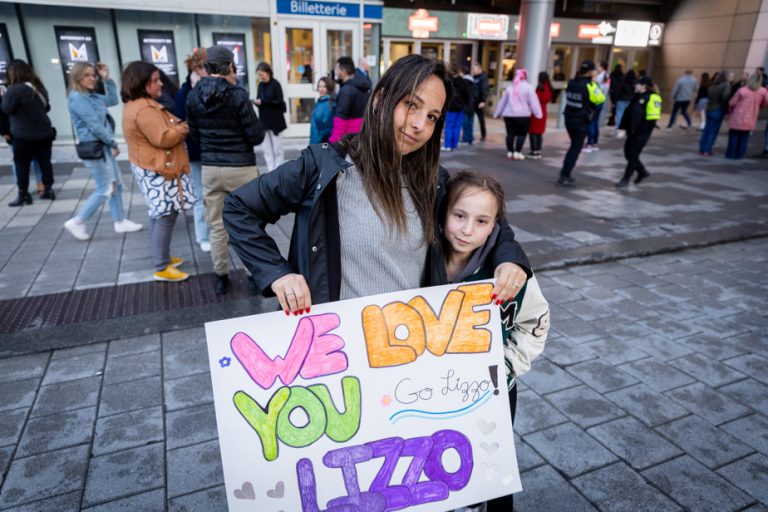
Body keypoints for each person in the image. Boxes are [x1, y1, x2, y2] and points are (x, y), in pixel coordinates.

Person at [222, 54, 531, 318]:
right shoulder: (326, 166)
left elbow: (490, 218)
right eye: (412, 105)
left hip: (409, 350)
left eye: (432, 116)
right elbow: (239, 208)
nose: (420, 124)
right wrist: (278, 273)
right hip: (340, 351)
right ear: (381, 99)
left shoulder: (433, 181)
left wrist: (510, 259)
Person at [438, 171, 549, 512]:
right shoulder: (420, 260)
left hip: (493, 388)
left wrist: (505, 368)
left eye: (481, 220)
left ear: (495, 226)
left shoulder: (508, 275)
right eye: (459, 216)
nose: (468, 229)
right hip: (432, 388)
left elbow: (536, 322)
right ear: (443, 214)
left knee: (491, 458)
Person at [186, 44, 265, 294]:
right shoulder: (238, 95)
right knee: (249, 223)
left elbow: (194, 135)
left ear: (207, 67)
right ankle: (254, 275)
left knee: (217, 225)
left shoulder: (193, 96)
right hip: (241, 167)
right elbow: (256, 136)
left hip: (210, 167)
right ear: (230, 66)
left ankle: (221, 276)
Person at [121, 61, 195, 282]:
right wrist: (183, 127)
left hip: (152, 168)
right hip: (158, 171)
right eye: (154, 80)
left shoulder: (137, 105)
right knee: (164, 215)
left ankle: (161, 256)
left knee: (158, 214)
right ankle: (161, 265)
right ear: (141, 83)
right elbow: (162, 138)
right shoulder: (144, 109)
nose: (160, 83)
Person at [63, 62, 143, 241]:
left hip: (102, 146)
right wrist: (112, 142)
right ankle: (78, 221)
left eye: (93, 75)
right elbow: (94, 125)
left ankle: (120, 221)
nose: (92, 78)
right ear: (77, 78)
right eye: (87, 75)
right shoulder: (77, 97)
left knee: (116, 185)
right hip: (95, 147)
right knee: (105, 187)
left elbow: (113, 100)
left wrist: (107, 80)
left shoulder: (90, 96)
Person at [1, 59, 56, 206]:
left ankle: (23, 194)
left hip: (23, 135)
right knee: (45, 162)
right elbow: (47, 107)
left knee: (22, 164)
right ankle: (48, 189)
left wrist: (2, 97)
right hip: (44, 132)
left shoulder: (14, 90)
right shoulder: (38, 88)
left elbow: (6, 109)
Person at [174, 48, 210, 252]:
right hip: (197, 149)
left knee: (216, 194)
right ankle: (203, 235)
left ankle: (218, 233)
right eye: (206, 66)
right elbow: (179, 119)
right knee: (200, 194)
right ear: (196, 67)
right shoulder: (185, 91)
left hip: (215, 149)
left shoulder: (216, 86)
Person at [557, 60, 605, 186]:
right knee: (575, 148)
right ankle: (565, 174)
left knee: (574, 145)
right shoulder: (591, 86)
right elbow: (600, 99)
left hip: (569, 118)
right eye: (594, 70)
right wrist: (595, 83)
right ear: (590, 71)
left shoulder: (571, 82)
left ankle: (565, 172)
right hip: (580, 121)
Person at [616, 76, 661, 187]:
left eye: (637, 84)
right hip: (632, 131)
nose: (635, 85)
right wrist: (623, 128)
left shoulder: (653, 98)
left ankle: (625, 179)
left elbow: (652, 119)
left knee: (633, 155)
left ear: (644, 86)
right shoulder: (637, 96)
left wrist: (640, 131)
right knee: (628, 153)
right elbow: (628, 113)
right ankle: (642, 172)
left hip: (642, 132)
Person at [493, 69, 542, 160]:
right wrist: (538, 114)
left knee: (510, 134)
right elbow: (534, 102)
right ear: (525, 76)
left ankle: (509, 152)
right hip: (523, 115)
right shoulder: (528, 87)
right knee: (521, 134)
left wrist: (497, 113)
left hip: (509, 114)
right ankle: (517, 152)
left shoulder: (510, 87)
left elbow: (503, 102)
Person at [725, 73, 768, 160]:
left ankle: (731, 154)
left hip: (738, 115)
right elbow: (766, 102)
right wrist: (760, 106)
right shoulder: (763, 91)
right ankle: (740, 155)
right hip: (751, 116)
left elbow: (732, 102)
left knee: (734, 136)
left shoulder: (743, 90)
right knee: (744, 138)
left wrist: (730, 110)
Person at [329, 56, 371, 143]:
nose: (335, 72)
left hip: (349, 136)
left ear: (343, 71)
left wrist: (333, 142)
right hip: (361, 133)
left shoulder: (346, 90)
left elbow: (340, 119)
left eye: (337, 69)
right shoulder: (363, 85)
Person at [255, 62, 287, 172]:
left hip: (275, 122)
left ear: (268, 72)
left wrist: (263, 102)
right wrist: (257, 102)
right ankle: (270, 172)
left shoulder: (275, 84)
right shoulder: (260, 85)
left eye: (262, 74)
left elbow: (279, 102)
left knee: (277, 150)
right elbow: (260, 99)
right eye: (259, 75)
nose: (260, 77)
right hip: (264, 121)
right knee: (267, 150)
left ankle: (278, 172)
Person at [699, 70, 731, 156]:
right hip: (717, 109)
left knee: (707, 130)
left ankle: (702, 149)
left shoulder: (713, 85)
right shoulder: (726, 85)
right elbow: (725, 97)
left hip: (710, 108)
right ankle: (707, 150)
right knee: (712, 131)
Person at [444, 63, 471, 152]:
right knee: (457, 126)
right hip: (460, 107)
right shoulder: (463, 81)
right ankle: (454, 144)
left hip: (451, 107)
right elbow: (467, 95)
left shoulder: (448, 81)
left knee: (449, 126)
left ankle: (448, 145)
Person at [585, 60, 610, 152]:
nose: (596, 68)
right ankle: (594, 143)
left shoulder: (599, 78)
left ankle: (589, 144)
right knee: (595, 122)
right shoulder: (606, 76)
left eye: (598, 66)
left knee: (591, 122)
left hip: (595, 102)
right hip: (600, 100)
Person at [528, 71, 552, 159]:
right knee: (539, 132)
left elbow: (535, 99)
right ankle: (538, 150)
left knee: (533, 131)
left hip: (536, 111)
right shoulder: (548, 87)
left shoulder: (540, 88)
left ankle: (533, 151)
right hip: (543, 111)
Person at [309, 75, 335, 144]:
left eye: (324, 86)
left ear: (329, 88)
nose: (321, 89)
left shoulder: (330, 104)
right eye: (320, 86)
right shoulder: (318, 102)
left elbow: (328, 128)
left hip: (321, 144)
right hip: (315, 142)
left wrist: (318, 139)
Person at [614, 69, 636, 138]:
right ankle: (625, 127)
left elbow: (618, 91)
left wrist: (615, 100)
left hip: (621, 99)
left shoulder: (623, 81)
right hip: (630, 99)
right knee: (627, 114)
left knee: (619, 113)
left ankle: (618, 127)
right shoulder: (635, 83)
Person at [472, 63, 490, 141]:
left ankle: (483, 134)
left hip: (479, 101)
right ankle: (470, 135)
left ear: (479, 69)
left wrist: (483, 100)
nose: (473, 71)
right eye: (472, 69)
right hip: (472, 101)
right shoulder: (473, 77)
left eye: (474, 69)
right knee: (470, 119)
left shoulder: (483, 78)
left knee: (481, 119)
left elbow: (484, 89)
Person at [460, 65, 477, 145]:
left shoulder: (464, 82)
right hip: (472, 105)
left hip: (466, 105)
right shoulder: (473, 81)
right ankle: (470, 138)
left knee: (466, 123)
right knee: (470, 122)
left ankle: (466, 138)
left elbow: (464, 94)